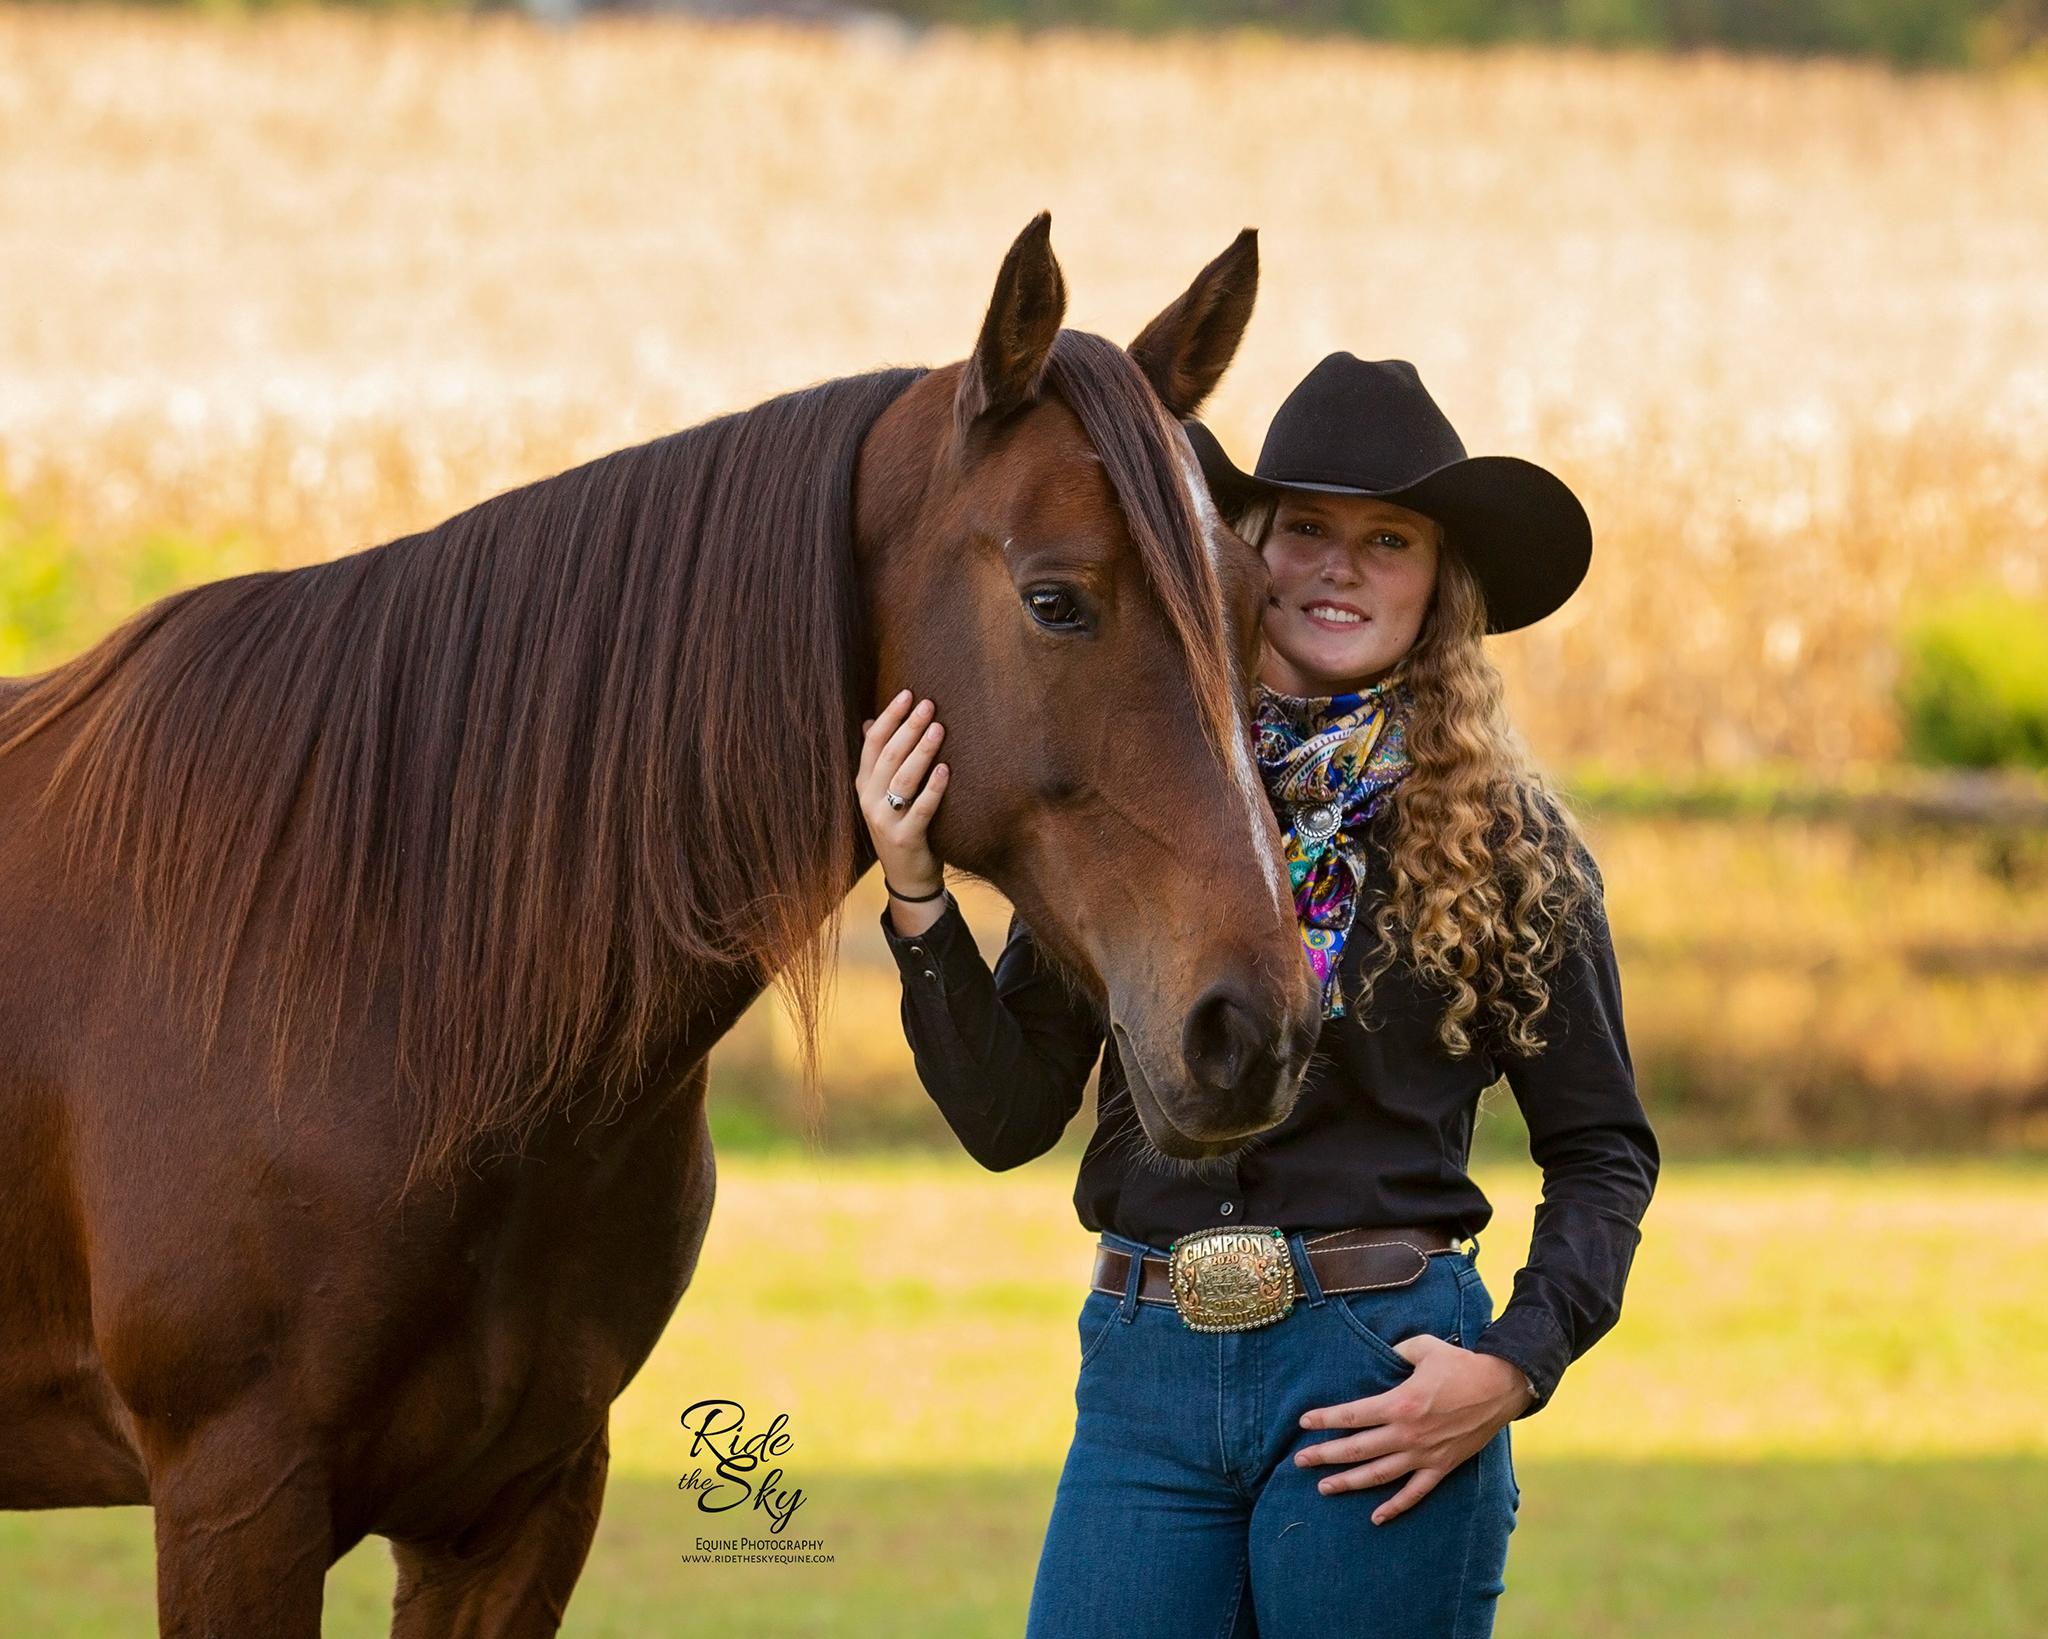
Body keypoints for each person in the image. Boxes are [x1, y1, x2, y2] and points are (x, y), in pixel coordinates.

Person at [856, 353, 1657, 1639]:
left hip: (1376, 1378)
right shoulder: (1138, 811)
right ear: (1242, 549)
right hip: (1144, 1375)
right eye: (1305, 529)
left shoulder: (1508, 844)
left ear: (1437, 586)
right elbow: (1006, 1118)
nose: (1339, 566)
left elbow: (1602, 1150)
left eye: (1385, 538)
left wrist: (1514, 1365)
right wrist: (914, 892)